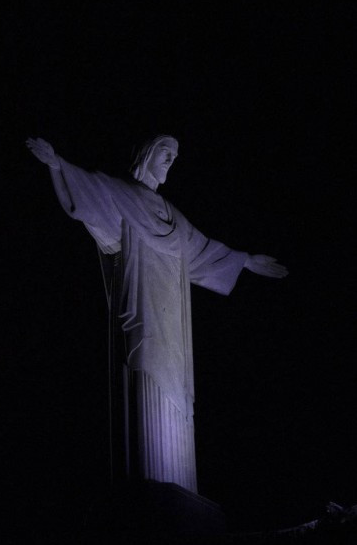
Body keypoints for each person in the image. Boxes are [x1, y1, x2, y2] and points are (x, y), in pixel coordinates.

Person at [26, 135, 286, 493]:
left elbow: (203, 250)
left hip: (174, 322)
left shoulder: (173, 216)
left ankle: (179, 489)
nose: (171, 160)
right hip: (141, 309)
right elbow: (88, 190)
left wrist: (246, 261)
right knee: (143, 369)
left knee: (178, 388)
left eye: (175, 156)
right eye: (166, 152)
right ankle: (147, 488)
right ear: (147, 154)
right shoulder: (121, 193)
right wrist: (55, 164)